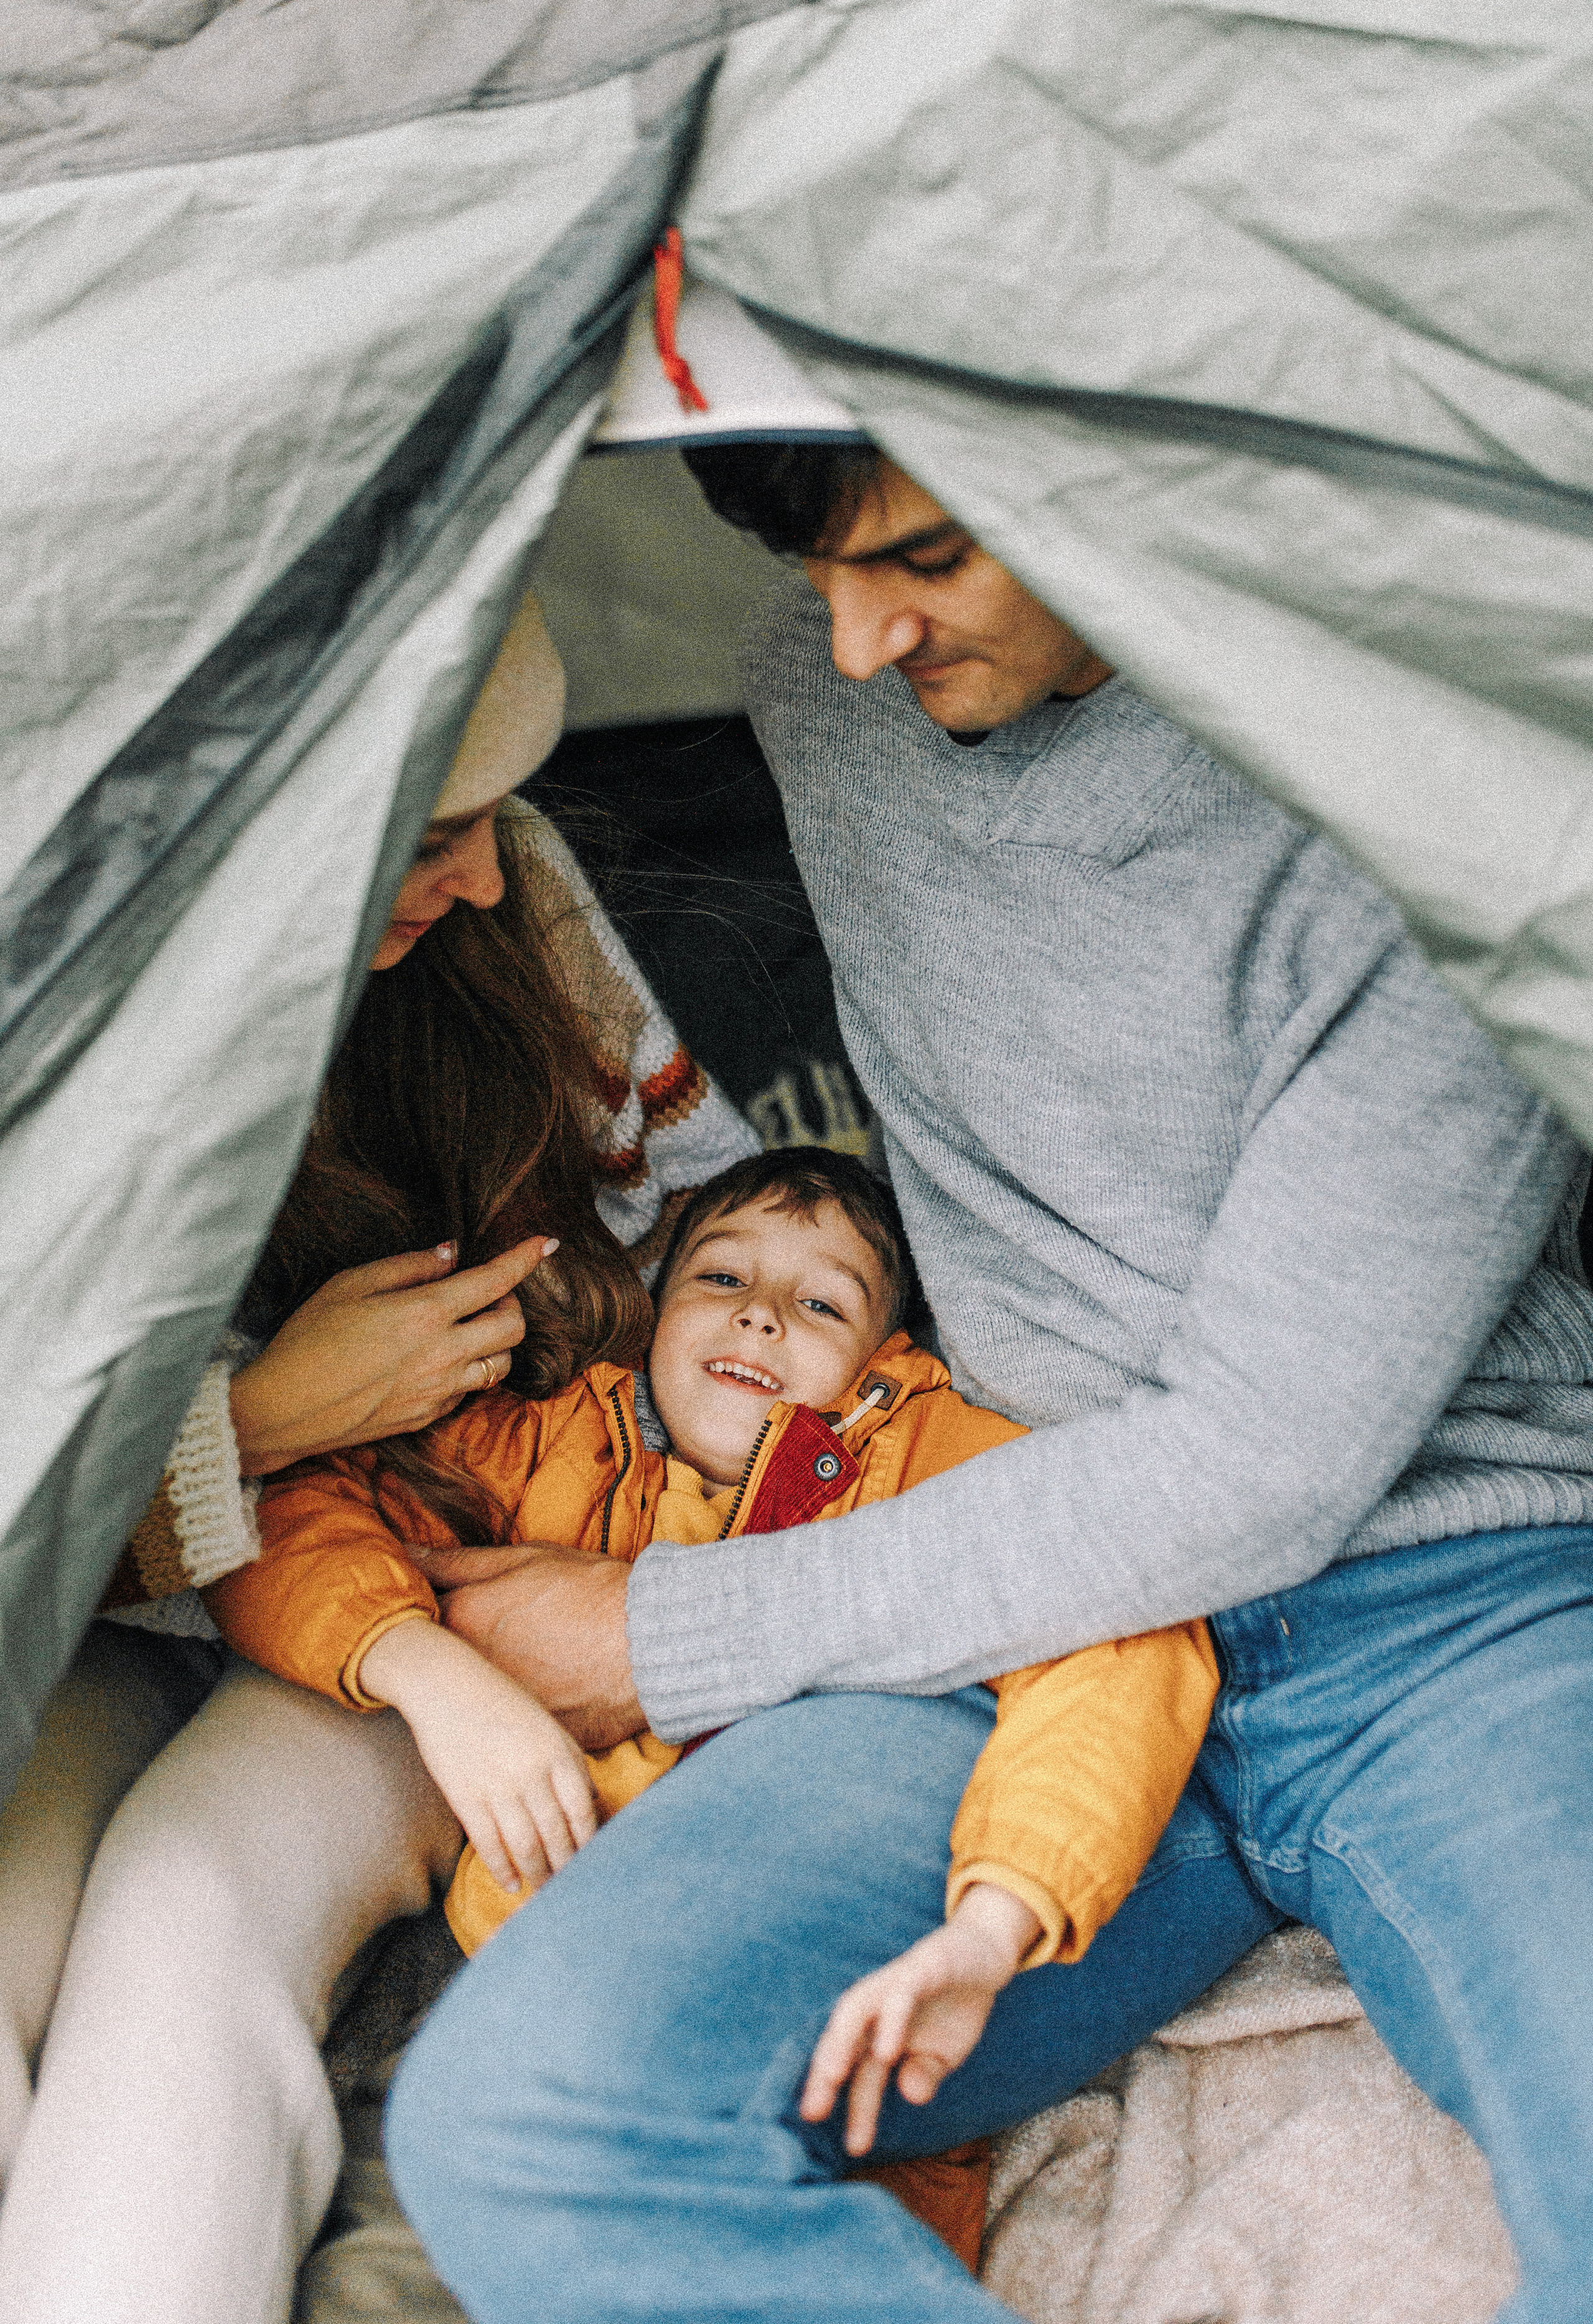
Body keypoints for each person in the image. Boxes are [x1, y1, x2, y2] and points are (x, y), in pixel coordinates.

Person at [384, 446, 1593, 2324]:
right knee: (524, 2114)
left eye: (926, 560)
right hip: (1004, 1606)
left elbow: (1262, 1467)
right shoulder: (822, 699)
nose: (854, 640)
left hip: (1448, 1612)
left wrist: (667, 1627)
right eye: (812, 569)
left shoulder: (1442, 781)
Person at [0, 592, 758, 2324]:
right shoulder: (67, 1017)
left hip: (423, 1593)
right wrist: (270, 1417)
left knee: (189, 1923)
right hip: (91, 1618)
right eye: (426, 836)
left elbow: (719, 1230)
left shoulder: (517, 913)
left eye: (500, 815)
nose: (490, 875)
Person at [204, 1146, 1217, 2262]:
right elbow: (293, 1510)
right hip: (515, 1983)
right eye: (722, 1281)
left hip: (804, 2019)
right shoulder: (549, 1440)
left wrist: (996, 1917)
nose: (762, 1319)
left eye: (820, 1301)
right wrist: (413, 1664)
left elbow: (1115, 1634)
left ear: (887, 1353)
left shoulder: (926, 1456)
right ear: (653, 1309)